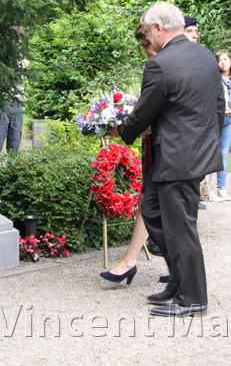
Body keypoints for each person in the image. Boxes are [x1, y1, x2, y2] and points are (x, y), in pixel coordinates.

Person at [109, 1, 224, 318]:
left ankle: (193, 298)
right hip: (196, 153)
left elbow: (145, 112)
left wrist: (119, 130)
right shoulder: (205, 56)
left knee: (180, 228)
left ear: (159, 28)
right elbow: (217, 106)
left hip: (176, 157)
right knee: (153, 211)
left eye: (147, 31)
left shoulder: (159, 64)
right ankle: (179, 281)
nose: (147, 37)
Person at [99, 24, 171, 285]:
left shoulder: (167, 65)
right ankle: (131, 261)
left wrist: (124, 130)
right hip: (154, 146)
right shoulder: (158, 65)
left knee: (159, 206)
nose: (146, 51)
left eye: (147, 44)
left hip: (174, 150)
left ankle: (173, 269)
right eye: (142, 46)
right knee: (149, 201)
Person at [182, 16, 209, 210]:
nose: (195, 35)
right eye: (190, 31)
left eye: (195, 31)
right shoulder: (173, 60)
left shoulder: (203, 58)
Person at [209, 50, 231, 201]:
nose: (223, 62)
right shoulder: (214, 79)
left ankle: (221, 187)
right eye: (220, 60)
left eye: (226, 59)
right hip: (218, 118)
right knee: (213, 152)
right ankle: (208, 189)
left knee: (223, 154)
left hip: (230, 118)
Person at [0, 26, 28, 155]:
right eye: (15, 40)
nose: (18, 43)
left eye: (20, 40)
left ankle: (12, 172)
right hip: (2, 102)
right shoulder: (1, 57)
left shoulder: (24, 59)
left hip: (18, 104)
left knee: (15, 140)